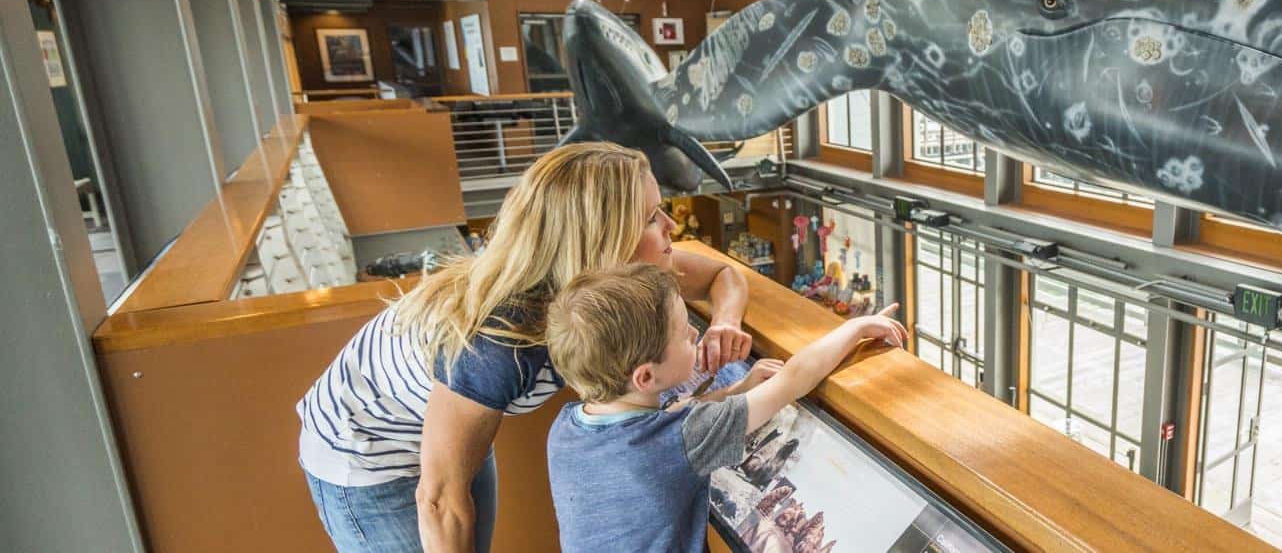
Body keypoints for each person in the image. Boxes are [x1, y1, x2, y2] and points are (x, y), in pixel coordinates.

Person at [295, 143, 752, 553]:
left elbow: (722, 276)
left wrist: (724, 323)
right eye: (652, 217)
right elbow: (439, 498)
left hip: (442, 427)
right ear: (603, 238)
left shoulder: (605, 288)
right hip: (367, 453)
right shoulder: (498, 341)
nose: (672, 225)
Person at [542, 262, 906, 552]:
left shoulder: (566, 428)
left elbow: (665, 417)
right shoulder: (682, 438)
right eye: (683, 332)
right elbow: (792, 380)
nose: (693, 334)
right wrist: (856, 328)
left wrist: (736, 390)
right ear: (645, 377)